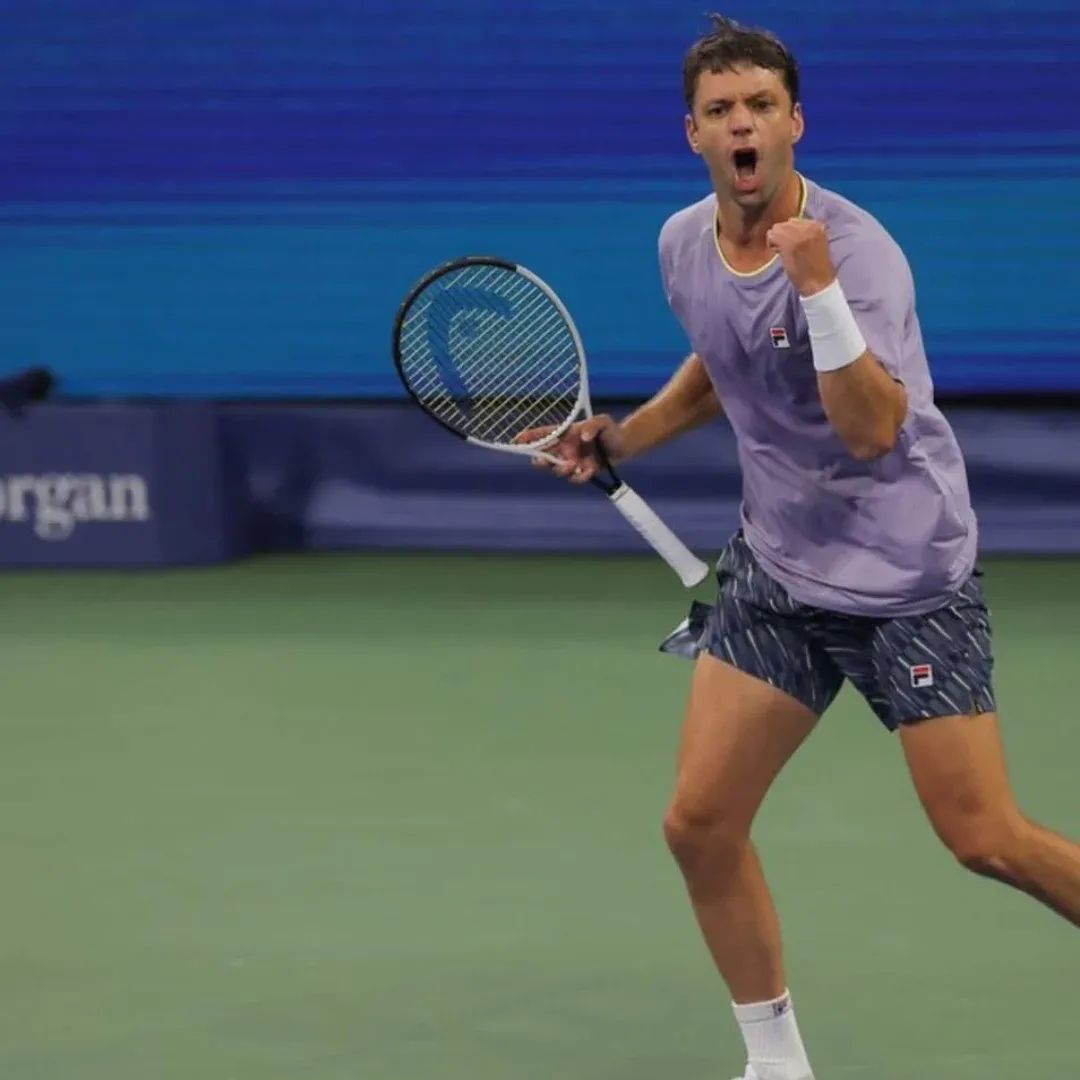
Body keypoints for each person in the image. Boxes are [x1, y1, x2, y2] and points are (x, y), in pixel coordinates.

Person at [533, 15, 1080, 1080]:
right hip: (779, 575)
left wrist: (818, 288)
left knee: (985, 838)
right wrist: (622, 437)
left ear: (796, 124)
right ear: (693, 132)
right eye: (722, 110)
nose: (744, 126)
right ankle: (776, 1062)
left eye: (762, 108)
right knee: (698, 823)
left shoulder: (858, 254)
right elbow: (721, 361)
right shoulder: (682, 242)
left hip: (906, 579)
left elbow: (872, 431)